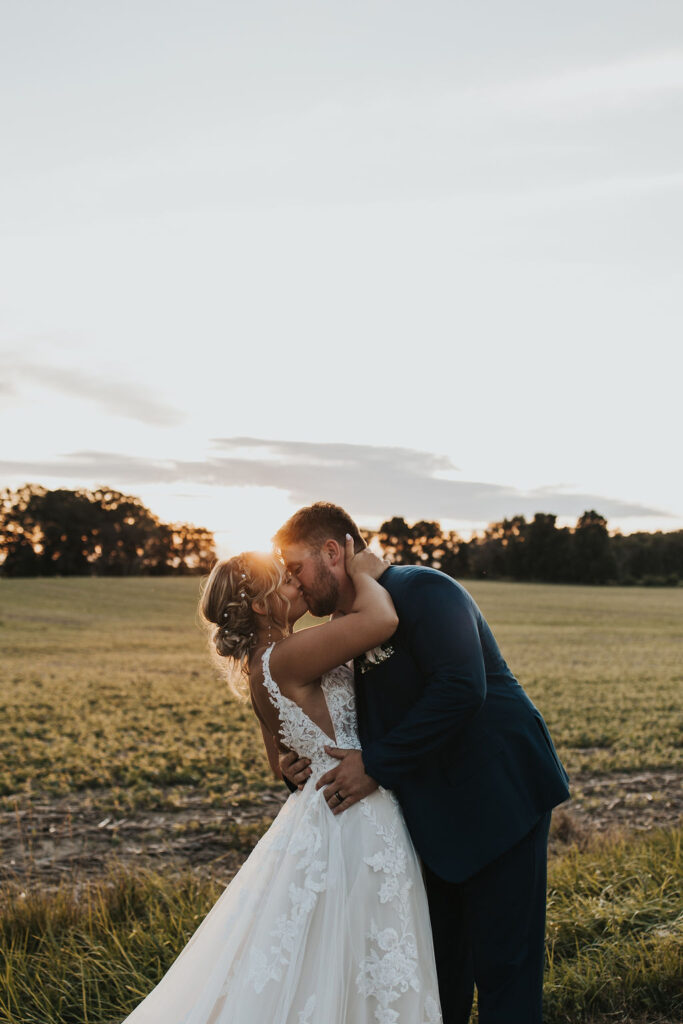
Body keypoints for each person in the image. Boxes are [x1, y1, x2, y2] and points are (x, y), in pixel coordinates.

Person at [120, 538, 443, 1024]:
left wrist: (292, 762)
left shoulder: (261, 665)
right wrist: (364, 575)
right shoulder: (289, 655)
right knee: (366, 955)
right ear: (259, 604)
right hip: (354, 813)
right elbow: (381, 622)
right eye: (286, 580)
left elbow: (281, 759)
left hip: (323, 807)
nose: (298, 582)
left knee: (331, 957)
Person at [275, 502, 571, 1024]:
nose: (291, 581)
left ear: (332, 551)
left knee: (506, 970)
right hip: (429, 819)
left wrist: (375, 764)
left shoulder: (425, 589)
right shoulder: (354, 625)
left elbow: (461, 686)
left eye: (295, 566)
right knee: (439, 975)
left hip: (499, 798)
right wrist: (296, 759)